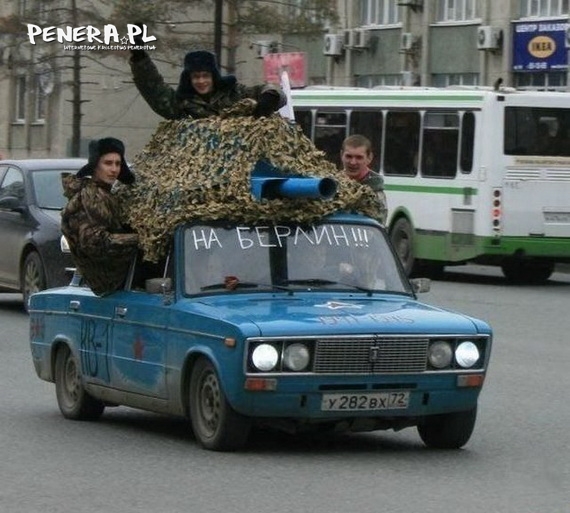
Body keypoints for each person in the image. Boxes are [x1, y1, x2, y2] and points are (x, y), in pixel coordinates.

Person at [61, 137, 139, 296]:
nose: (114, 169)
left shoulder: (106, 193)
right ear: (95, 165)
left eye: (118, 164)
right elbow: (94, 243)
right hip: (109, 282)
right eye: (108, 163)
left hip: (119, 278)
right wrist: (140, 239)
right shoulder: (91, 196)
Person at [129, 43, 286, 120]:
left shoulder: (234, 93)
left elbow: (273, 91)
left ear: (213, 76)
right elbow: (155, 90)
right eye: (196, 77)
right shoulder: (181, 104)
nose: (201, 81)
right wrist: (140, 59)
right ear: (189, 79)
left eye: (205, 76)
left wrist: (270, 97)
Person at [340, 134, 387, 223]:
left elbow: (376, 226)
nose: (353, 162)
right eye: (348, 156)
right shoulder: (331, 185)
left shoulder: (375, 192)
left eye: (359, 157)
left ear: (369, 158)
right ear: (341, 155)